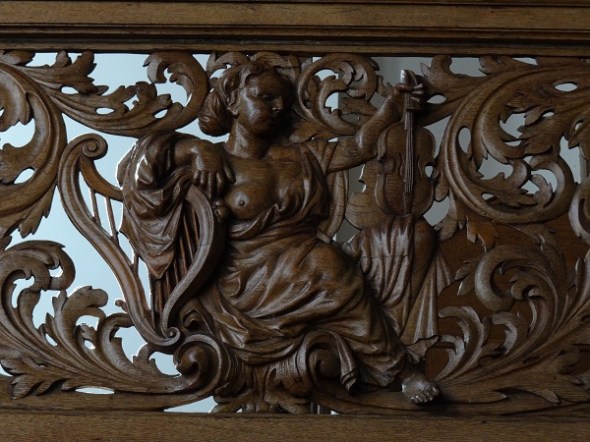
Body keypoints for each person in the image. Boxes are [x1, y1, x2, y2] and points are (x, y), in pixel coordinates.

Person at [119, 56, 439, 407]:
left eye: (282, 102)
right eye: (265, 97)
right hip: (242, 281)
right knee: (328, 267)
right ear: (232, 102)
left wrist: (393, 105)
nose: (277, 107)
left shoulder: (304, 157)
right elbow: (140, 172)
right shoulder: (213, 163)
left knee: (393, 242)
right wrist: (193, 147)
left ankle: (395, 366)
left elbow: (359, 146)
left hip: (304, 261)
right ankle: (399, 370)